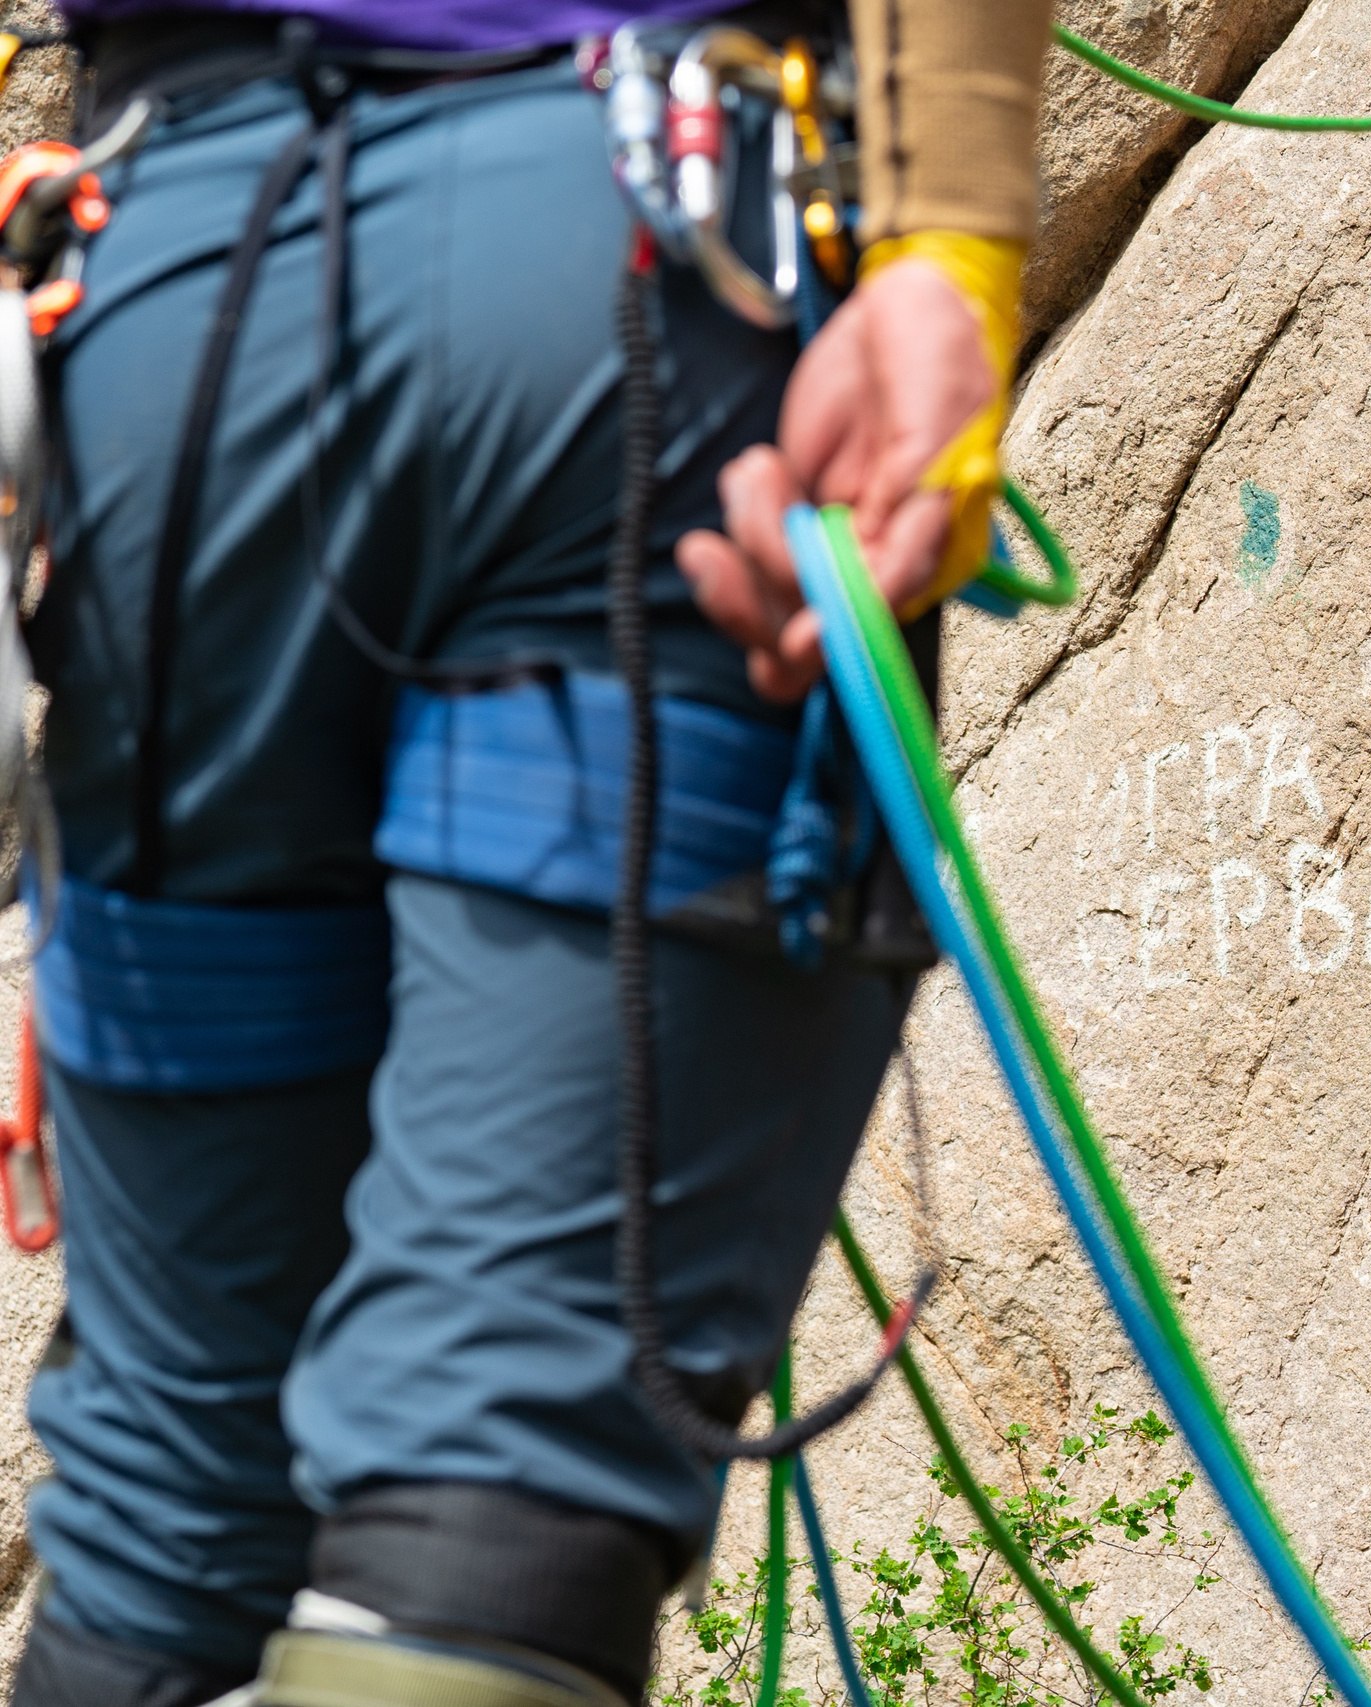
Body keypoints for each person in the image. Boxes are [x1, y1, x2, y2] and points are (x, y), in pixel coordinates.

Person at [8, 2, 1049, 1705]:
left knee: (166, 1509)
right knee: (500, 1500)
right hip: (640, 291)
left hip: (177, 321)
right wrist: (951, 247)